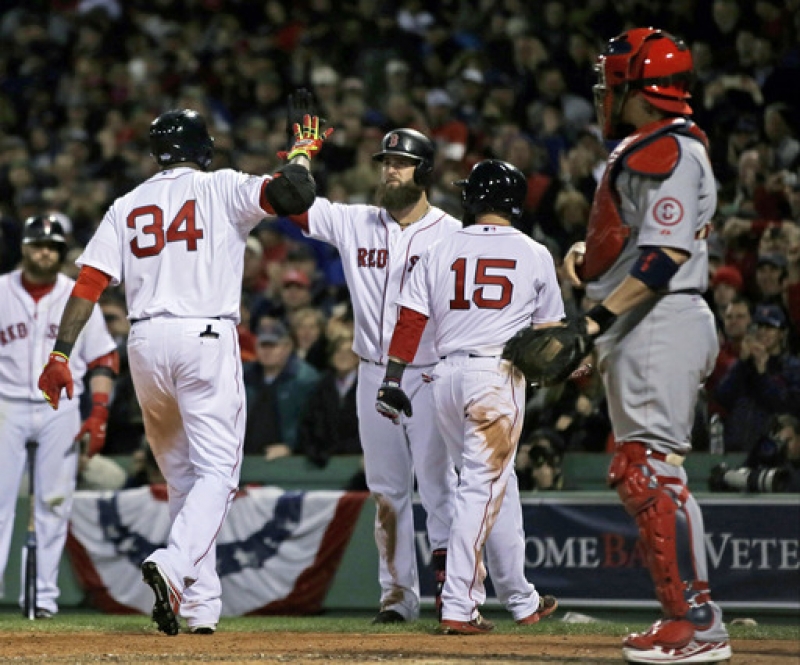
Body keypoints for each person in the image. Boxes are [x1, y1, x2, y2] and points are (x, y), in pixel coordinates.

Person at [37, 107, 326, 636]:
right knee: (218, 473)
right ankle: (174, 565)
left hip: (145, 343)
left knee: (181, 481)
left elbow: (88, 286)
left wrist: (60, 354)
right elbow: (294, 196)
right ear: (205, 149)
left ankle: (199, 606)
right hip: (204, 336)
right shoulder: (221, 186)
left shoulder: (128, 203)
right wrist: (301, 155)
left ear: (156, 154)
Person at [563, 29, 732, 664]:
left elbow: (666, 256)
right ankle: (695, 618)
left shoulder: (673, 150)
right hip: (647, 320)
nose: (606, 91)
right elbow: (636, 245)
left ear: (640, 89)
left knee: (648, 470)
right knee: (643, 467)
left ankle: (692, 623)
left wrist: (596, 318)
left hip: (660, 317)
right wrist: (587, 268)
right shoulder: (654, 146)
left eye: (614, 82)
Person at [375, 159, 560, 634]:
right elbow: (550, 336)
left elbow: (411, 320)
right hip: (496, 377)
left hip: (446, 377)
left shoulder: (439, 245)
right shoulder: (535, 251)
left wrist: (393, 379)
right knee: (482, 487)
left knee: (498, 485)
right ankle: (458, 602)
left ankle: (520, 598)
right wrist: (570, 365)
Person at [285, 126, 459, 624]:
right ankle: (397, 595)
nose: (389, 169)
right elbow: (290, 202)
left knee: (438, 485)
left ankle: (454, 591)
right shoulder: (354, 221)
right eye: (385, 161)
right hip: (371, 371)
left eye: (400, 162)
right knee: (386, 490)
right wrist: (301, 153)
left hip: (428, 375)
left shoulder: (450, 233)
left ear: (423, 171)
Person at [0, 214, 118, 618]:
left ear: (63, 251)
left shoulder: (77, 294)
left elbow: (103, 357)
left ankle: (44, 600)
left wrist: (98, 411)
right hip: (6, 406)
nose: (44, 252)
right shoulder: (0, 291)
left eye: (52, 246)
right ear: (24, 247)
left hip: (61, 409)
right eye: (38, 244)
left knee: (54, 503)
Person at [243, 317, 321, 460]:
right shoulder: (244, 376)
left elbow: (313, 422)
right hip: (246, 454)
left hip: (289, 458)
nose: (267, 351)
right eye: (263, 345)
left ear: (287, 347)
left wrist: (291, 446)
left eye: (273, 345)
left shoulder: (305, 379)